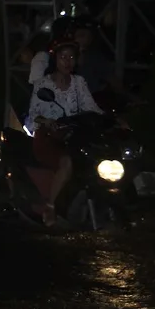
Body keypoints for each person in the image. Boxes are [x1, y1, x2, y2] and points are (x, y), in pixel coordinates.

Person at [27, 36, 103, 226]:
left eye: (71, 57)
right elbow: (34, 114)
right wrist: (47, 121)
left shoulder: (79, 82)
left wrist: (112, 119)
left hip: (74, 135)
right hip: (48, 136)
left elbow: (91, 107)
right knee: (67, 162)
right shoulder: (43, 84)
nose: (67, 61)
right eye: (63, 57)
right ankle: (50, 206)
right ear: (55, 60)